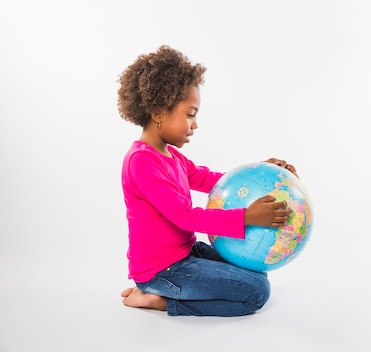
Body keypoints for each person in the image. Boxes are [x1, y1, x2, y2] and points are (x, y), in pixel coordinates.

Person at [117, 45, 298, 317]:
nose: (195, 124)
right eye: (190, 114)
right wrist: (247, 216)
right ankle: (159, 299)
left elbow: (210, 179)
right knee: (257, 293)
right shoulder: (141, 162)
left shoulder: (172, 156)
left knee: (254, 272)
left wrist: (262, 172)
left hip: (185, 254)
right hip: (161, 270)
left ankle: (163, 294)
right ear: (157, 113)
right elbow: (186, 217)